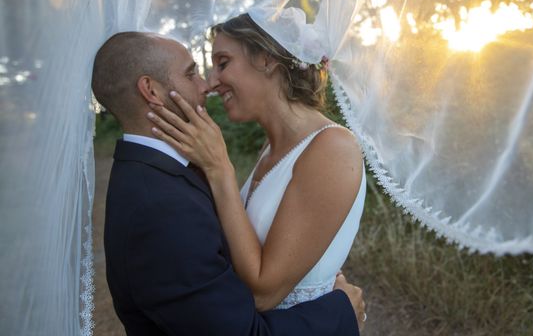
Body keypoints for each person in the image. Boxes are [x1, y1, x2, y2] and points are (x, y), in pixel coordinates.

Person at [91, 31, 365, 335]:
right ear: (151, 91)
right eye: (193, 72)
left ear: (267, 60)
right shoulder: (160, 203)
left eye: (222, 63)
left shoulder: (329, 148)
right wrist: (340, 311)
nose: (208, 83)